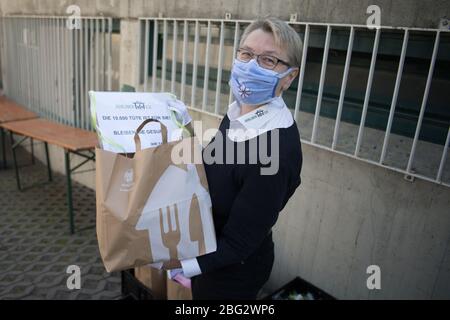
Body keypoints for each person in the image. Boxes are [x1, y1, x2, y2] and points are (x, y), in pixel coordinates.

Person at [164, 17, 303, 300]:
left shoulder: (275, 151)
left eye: (269, 60)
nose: (251, 65)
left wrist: (182, 265)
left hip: (232, 273)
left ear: (289, 77)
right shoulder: (239, 112)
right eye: (247, 54)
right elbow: (218, 162)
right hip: (207, 250)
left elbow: (240, 243)